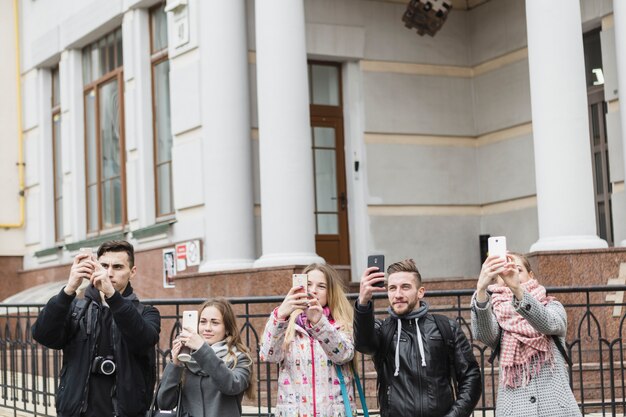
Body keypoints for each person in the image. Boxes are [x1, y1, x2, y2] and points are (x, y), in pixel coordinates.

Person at [32, 240, 161, 417]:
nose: (109, 273)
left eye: (117, 267)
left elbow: (143, 340)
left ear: (132, 272)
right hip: (78, 411)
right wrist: (69, 289)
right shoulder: (77, 309)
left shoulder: (147, 313)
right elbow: (43, 335)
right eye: (104, 266)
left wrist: (112, 296)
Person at [354, 258, 481, 417]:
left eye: (405, 287)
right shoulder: (382, 330)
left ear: (420, 292)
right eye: (392, 288)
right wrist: (363, 302)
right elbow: (363, 344)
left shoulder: (446, 327)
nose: (398, 294)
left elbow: (471, 377)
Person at [471, 252, 581, 417]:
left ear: (531, 275)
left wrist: (517, 290)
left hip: (557, 410)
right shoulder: (494, 312)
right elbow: (484, 335)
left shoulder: (552, 305)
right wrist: (480, 291)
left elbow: (548, 323)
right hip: (514, 411)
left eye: (517, 269)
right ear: (495, 279)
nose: (510, 274)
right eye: (503, 271)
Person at [259, 263, 356, 417]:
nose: (313, 291)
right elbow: (268, 355)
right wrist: (280, 315)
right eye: (308, 284)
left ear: (331, 292)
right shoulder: (288, 325)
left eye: (321, 286)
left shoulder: (341, 324)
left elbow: (343, 355)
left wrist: (319, 323)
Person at [157, 297, 254, 417]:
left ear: (227, 329)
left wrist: (202, 349)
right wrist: (175, 365)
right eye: (202, 322)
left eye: (215, 323)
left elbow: (230, 386)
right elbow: (165, 403)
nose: (207, 328)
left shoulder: (240, 358)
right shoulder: (187, 358)